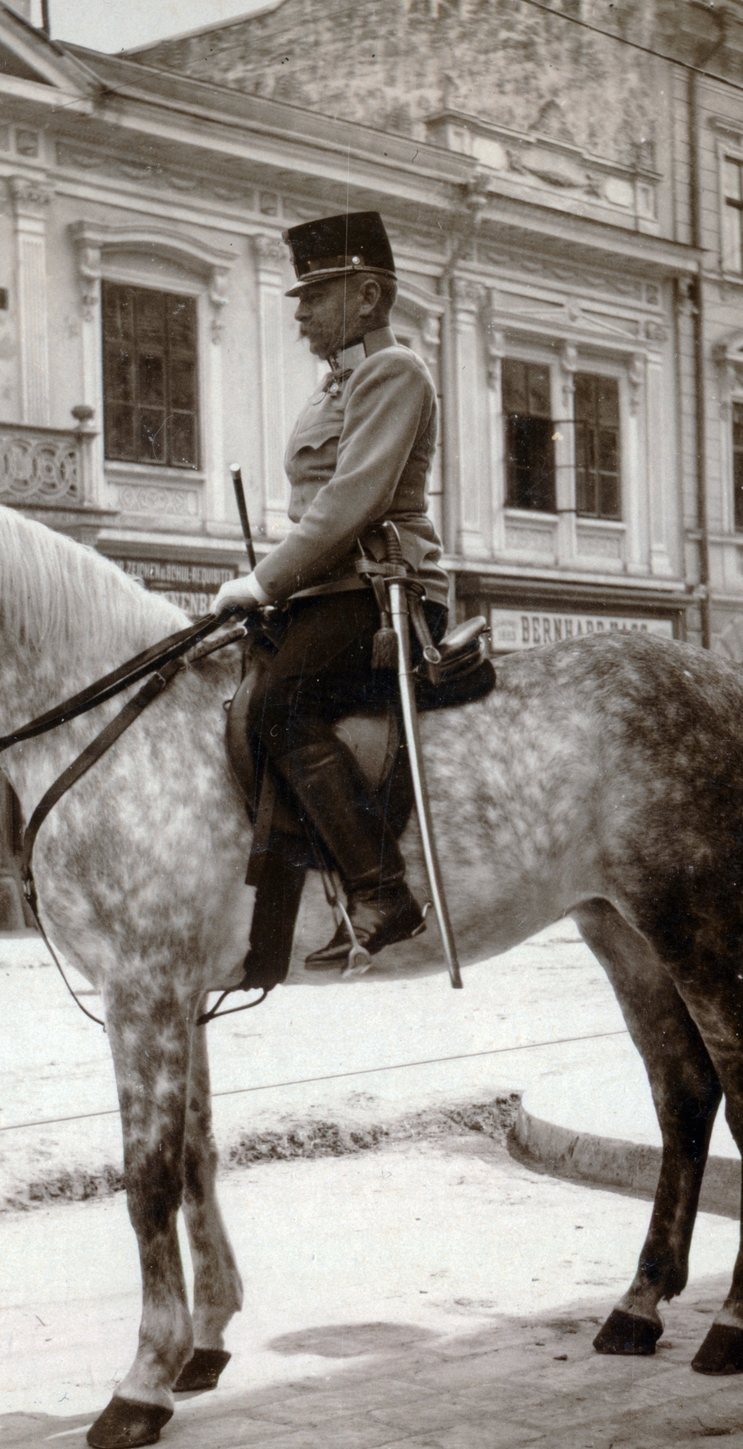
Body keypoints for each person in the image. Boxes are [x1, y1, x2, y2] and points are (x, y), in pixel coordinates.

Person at [213, 211, 447, 968]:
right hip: (328, 592)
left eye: (316, 294)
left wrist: (263, 581)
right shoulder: (332, 389)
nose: (301, 312)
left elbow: (354, 500)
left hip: (382, 590)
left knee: (283, 705)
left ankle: (382, 889)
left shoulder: (394, 372)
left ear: (368, 295)